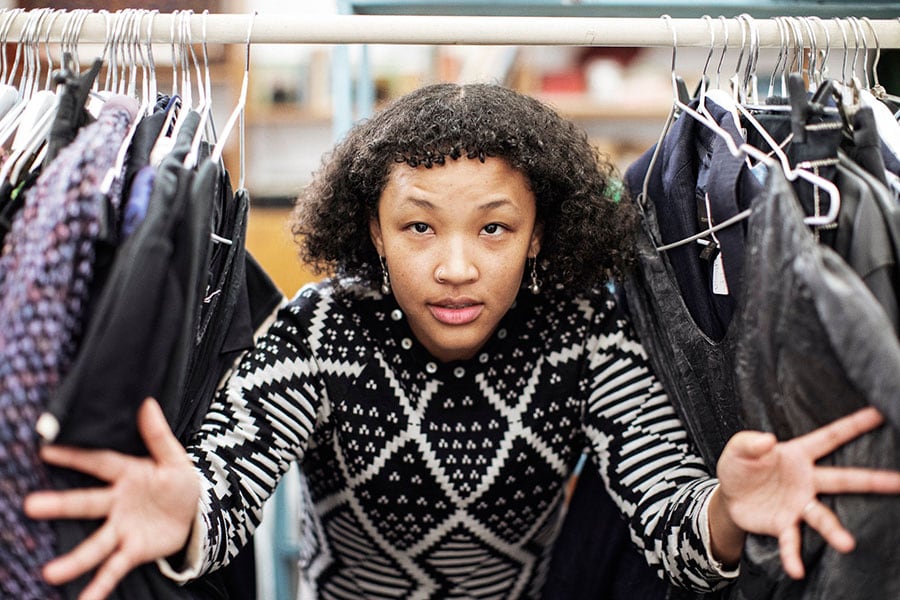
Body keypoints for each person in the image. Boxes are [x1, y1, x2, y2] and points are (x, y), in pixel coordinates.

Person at [24, 83, 900, 600]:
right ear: (372, 230)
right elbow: (223, 495)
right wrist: (186, 514)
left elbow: (669, 513)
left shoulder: (584, 333)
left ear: (539, 235)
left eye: (492, 230)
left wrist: (724, 515)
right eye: (417, 228)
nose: (454, 267)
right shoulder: (320, 327)